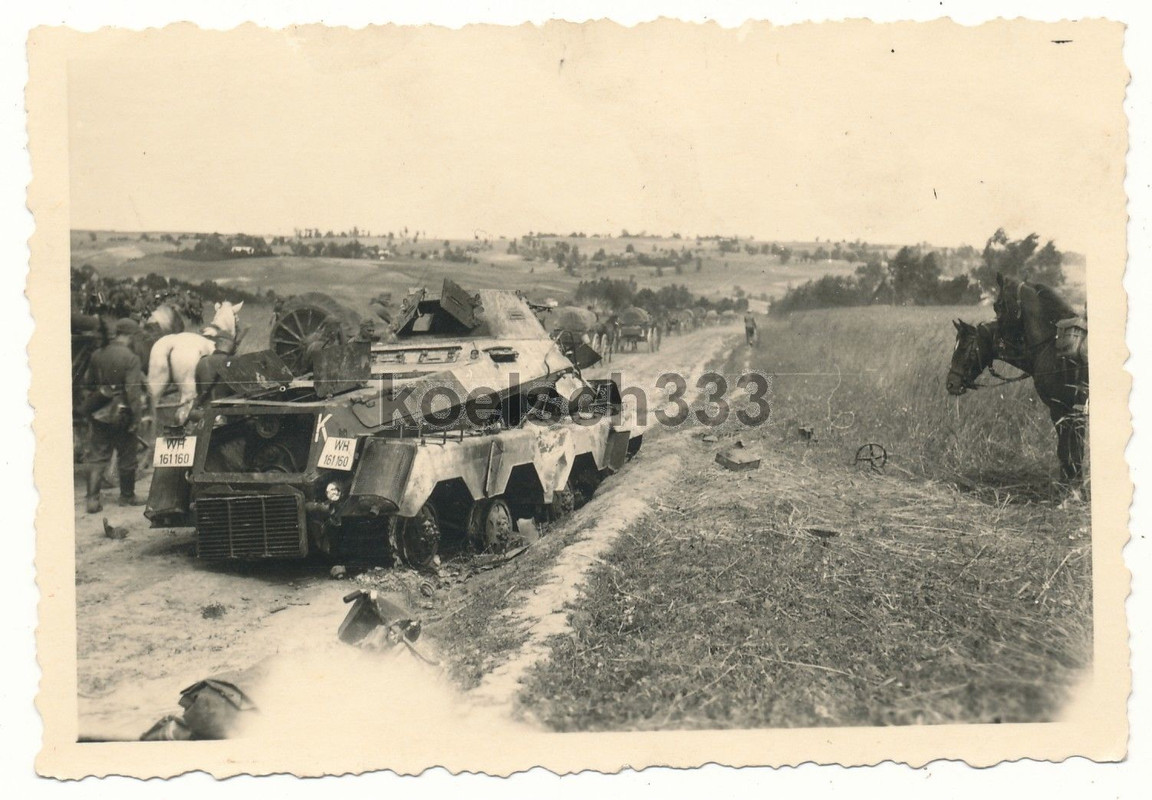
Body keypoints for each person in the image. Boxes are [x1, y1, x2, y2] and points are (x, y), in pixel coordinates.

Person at [82, 318, 147, 513]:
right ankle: (127, 496)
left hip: (100, 411)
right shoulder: (131, 358)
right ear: (129, 336)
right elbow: (133, 392)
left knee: (97, 456)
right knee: (127, 455)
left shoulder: (96, 354)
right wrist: (136, 419)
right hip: (122, 414)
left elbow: (89, 383)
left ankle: (92, 500)